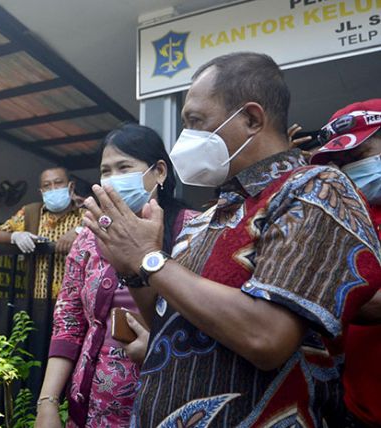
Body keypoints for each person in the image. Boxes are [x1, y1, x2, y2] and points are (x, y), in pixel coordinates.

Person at [82, 52, 381, 426]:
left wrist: (150, 259)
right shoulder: (208, 216)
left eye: (196, 121)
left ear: (252, 118)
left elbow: (267, 337)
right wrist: (133, 269)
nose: (185, 138)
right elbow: (167, 322)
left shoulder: (313, 190)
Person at [35, 124, 198, 428]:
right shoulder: (89, 236)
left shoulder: (194, 231)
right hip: (90, 406)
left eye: (124, 168)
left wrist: (157, 346)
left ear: (159, 171)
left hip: (165, 403)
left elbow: (207, 322)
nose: (113, 180)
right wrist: (47, 402)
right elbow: (69, 320)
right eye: (106, 171)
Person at [310, 99, 381, 427]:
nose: (348, 170)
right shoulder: (346, 217)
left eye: (357, 157)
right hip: (355, 409)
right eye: (339, 162)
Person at [0, 167, 83, 299]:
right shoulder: (31, 212)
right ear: (41, 191)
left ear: (71, 186)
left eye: (58, 183)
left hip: (76, 301)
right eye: (47, 185)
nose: (53, 188)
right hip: (38, 298)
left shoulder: (86, 215)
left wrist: (79, 231)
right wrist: (15, 236)